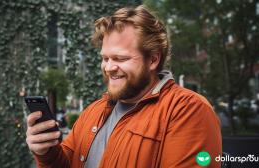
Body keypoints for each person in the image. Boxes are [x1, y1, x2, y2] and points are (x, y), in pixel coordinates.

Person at [26, 5, 222, 168]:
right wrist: (47, 152)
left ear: (153, 59)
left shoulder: (187, 109)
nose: (109, 67)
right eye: (105, 58)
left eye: (120, 58)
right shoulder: (93, 112)